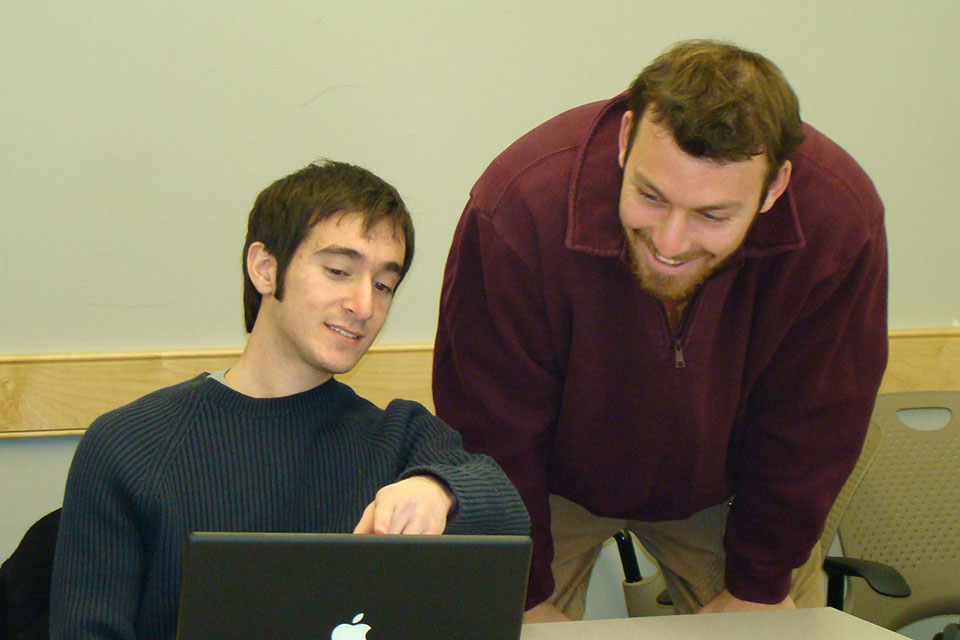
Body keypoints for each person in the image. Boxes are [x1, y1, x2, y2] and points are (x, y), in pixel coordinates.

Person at [433, 39, 887, 621]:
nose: (671, 243)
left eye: (712, 216)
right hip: (545, 485)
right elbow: (491, 424)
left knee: (780, 628)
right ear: (625, 141)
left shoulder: (838, 222)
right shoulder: (520, 208)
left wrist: (761, 580)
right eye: (651, 196)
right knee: (488, 620)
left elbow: (814, 420)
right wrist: (524, 598)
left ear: (774, 188)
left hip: (730, 491)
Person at [50, 160, 530, 639]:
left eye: (384, 285)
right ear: (265, 268)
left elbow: (509, 517)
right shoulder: (128, 445)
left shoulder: (401, 436)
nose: (364, 306)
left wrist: (438, 490)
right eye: (339, 270)